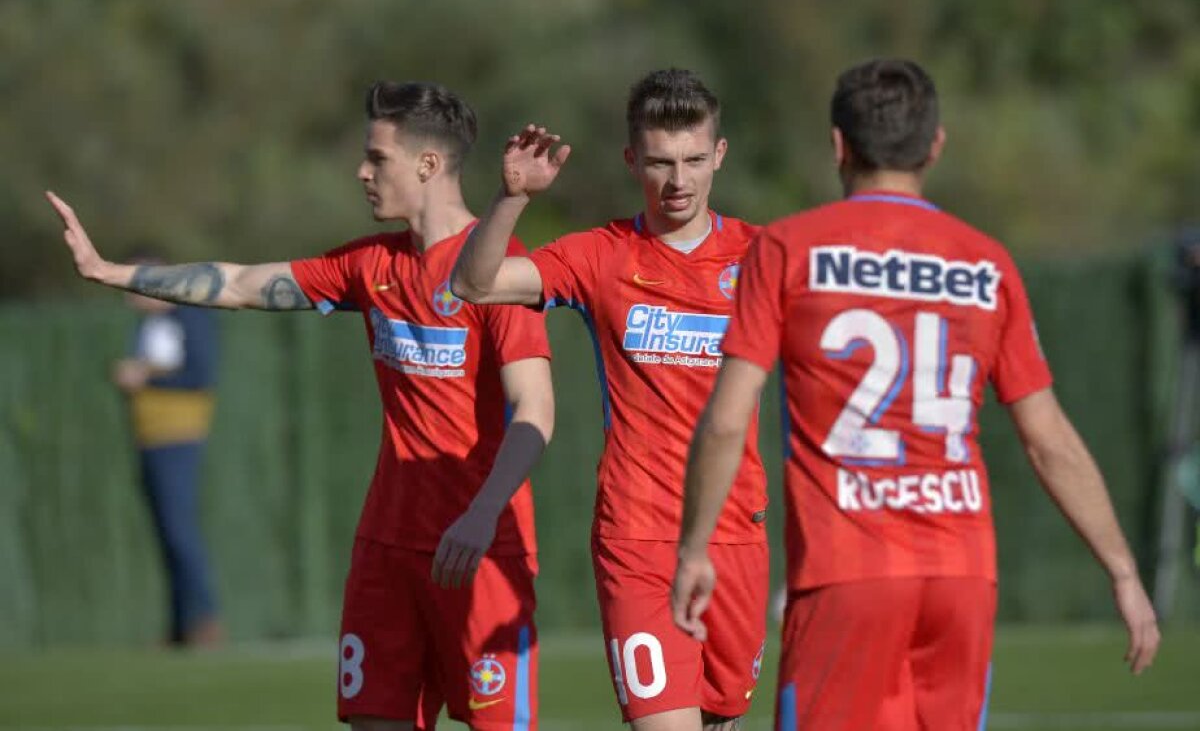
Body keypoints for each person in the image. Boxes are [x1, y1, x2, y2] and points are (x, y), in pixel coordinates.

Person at [48, 81, 554, 731]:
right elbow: (239, 282)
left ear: (428, 164)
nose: (362, 171)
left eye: (377, 157)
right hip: (386, 549)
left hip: (479, 549)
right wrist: (110, 271)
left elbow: (535, 410)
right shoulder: (370, 264)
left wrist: (482, 514)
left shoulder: (499, 271)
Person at [671, 59, 1162, 730]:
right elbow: (1049, 440)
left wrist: (694, 547)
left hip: (846, 571)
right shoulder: (986, 262)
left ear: (839, 145)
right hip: (962, 577)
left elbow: (728, 422)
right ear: (935, 145)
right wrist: (1124, 572)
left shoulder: (787, 249)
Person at [452, 69, 768, 731]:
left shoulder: (763, 257)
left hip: (737, 532)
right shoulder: (601, 255)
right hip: (638, 534)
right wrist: (511, 199)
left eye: (693, 160)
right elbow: (474, 286)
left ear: (719, 154)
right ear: (631, 160)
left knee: (723, 723)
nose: (677, 180)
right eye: (659, 162)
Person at [116, 253, 223, 648]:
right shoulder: (148, 324)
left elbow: (199, 373)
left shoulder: (189, 317)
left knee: (179, 529)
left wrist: (144, 378)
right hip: (150, 436)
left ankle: (205, 618)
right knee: (167, 532)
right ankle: (181, 626)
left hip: (178, 436)